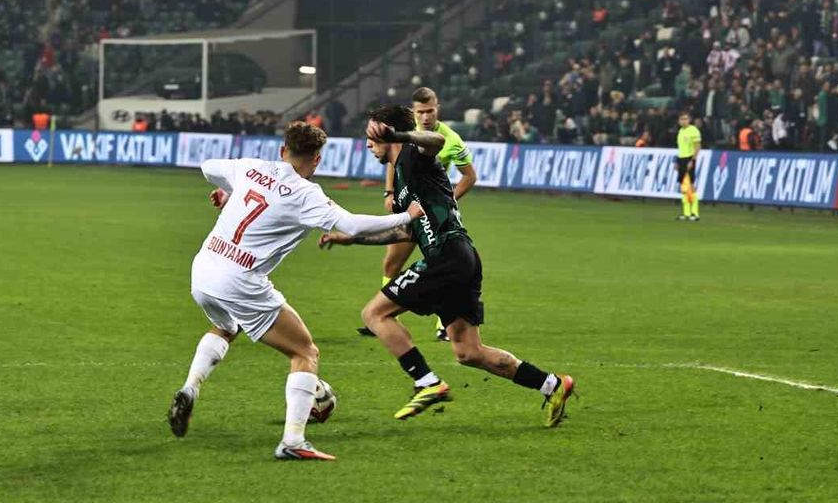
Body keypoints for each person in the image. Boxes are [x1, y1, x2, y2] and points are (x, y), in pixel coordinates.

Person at [169, 121, 424, 461]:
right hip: (239, 279)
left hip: (204, 269)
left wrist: (231, 191)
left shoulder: (251, 167)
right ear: (317, 160)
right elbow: (351, 225)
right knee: (305, 352)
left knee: (227, 326)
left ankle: (190, 388)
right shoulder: (306, 195)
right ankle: (293, 441)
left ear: (282, 150)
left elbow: (207, 167)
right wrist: (406, 217)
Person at [320, 106, 575, 427]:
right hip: (461, 258)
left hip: (447, 255)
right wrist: (352, 239)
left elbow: (437, 141)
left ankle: (427, 382)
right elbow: (406, 232)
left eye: (372, 135)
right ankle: (552, 385)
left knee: (374, 314)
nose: (368, 144)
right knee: (469, 352)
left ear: (388, 133)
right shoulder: (402, 182)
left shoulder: (413, 156)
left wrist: (400, 135)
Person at [357, 87, 476, 342]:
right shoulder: (400, 136)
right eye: (420, 112)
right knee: (392, 263)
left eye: (430, 111)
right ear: (413, 112)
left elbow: (469, 176)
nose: (425, 116)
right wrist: (390, 192)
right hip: (411, 210)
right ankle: (387, 315)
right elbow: (394, 161)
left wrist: (444, 202)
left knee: (441, 262)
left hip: (432, 215)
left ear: (437, 108)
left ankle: (442, 325)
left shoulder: (448, 139)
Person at [676, 111, 702, 222]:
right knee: (683, 187)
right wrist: (677, 162)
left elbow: (697, 146)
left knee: (691, 185)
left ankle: (695, 213)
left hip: (689, 159)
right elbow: (681, 148)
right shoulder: (680, 131)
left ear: (689, 120)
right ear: (679, 121)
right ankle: (686, 213)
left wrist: (693, 160)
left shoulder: (693, 130)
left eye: (686, 119)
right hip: (681, 159)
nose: (684, 121)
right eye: (682, 119)